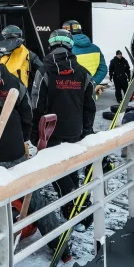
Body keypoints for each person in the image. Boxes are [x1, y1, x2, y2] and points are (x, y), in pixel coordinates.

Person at [0, 43, 67, 254]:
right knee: (31, 194)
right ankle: (59, 242)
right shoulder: (14, 81)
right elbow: (27, 114)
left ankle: (8, 217)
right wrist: (22, 139)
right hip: (15, 149)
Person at [32, 29, 96, 217]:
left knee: (56, 171)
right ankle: (76, 204)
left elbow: (36, 104)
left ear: (51, 45)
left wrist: (34, 134)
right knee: (70, 166)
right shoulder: (83, 72)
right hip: (75, 130)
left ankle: (73, 208)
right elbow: (90, 104)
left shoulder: (44, 71)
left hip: (50, 132)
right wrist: (87, 129)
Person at [62, 19, 107, 86]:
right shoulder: (96, 49)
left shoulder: (65, 49)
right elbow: (103, 69)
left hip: (72, 92)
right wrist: (93, 83)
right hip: (91, 93)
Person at [0, 24, 43, 88]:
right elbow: (41, 68)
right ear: (20, 35)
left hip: (3, 89)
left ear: (4, 36)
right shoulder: (27, 52)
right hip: (21, 88)